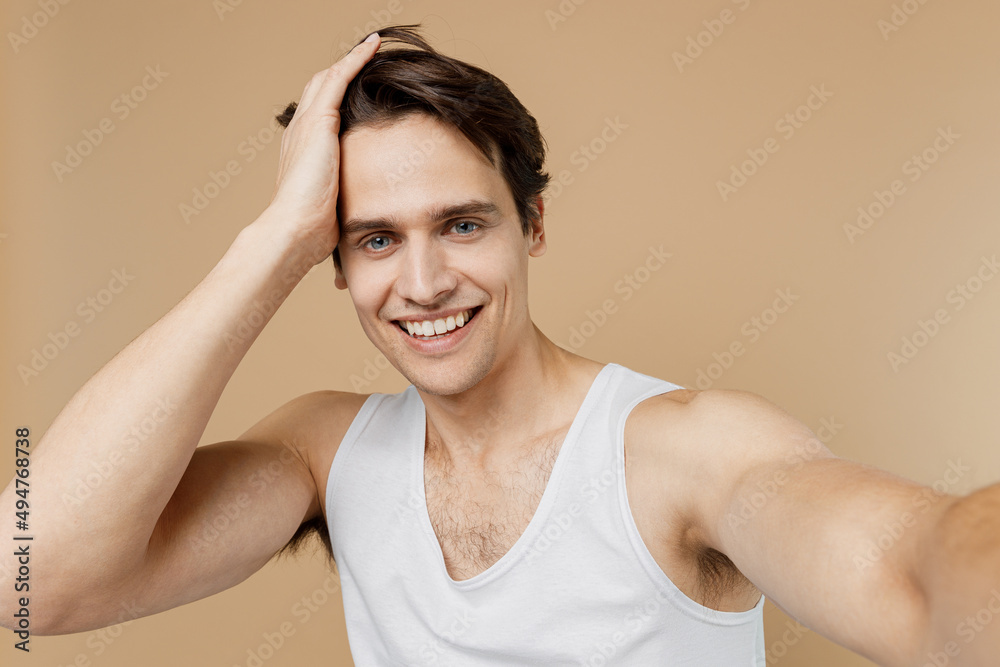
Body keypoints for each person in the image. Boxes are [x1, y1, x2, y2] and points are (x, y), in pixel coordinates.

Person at [1, 23, 998, 666]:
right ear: (332, 262)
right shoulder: (325, 453)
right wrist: (272, 242)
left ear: (532, 225)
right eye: (374, 239)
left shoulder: (686, 450)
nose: (424, 281)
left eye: (463, 224)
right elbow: (29, 577)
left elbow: (919, 574)